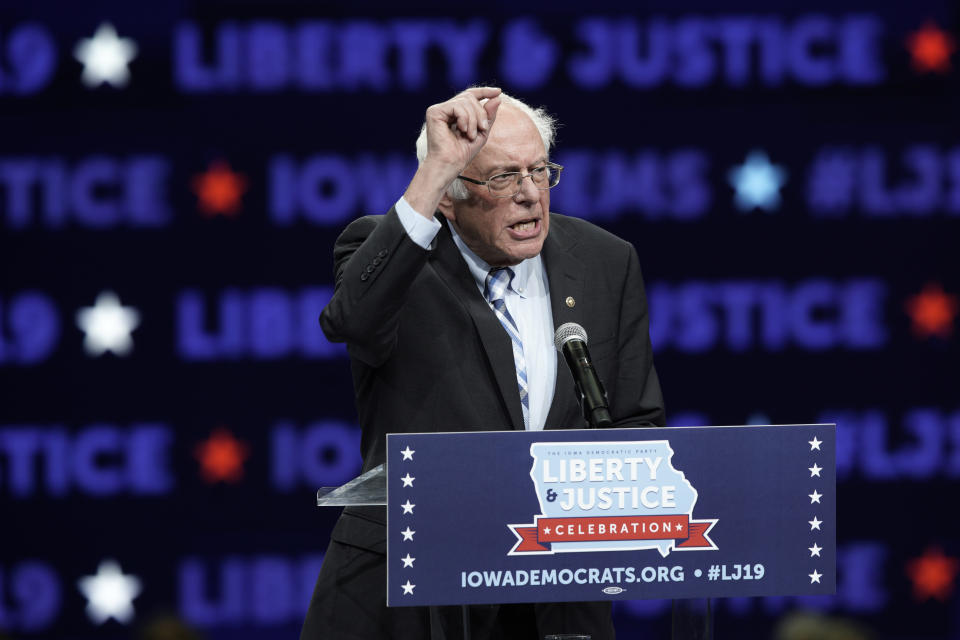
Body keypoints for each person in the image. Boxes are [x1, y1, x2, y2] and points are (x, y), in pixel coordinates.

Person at [301, 87, 665, 640]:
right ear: (450, 195)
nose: (529, 195)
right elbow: (350, 322)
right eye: (502, 178)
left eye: (539, 171)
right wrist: (436, 169)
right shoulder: (393, 254)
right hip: (415, 594)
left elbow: (636, 420)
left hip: (557, 597)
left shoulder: (605, 260)